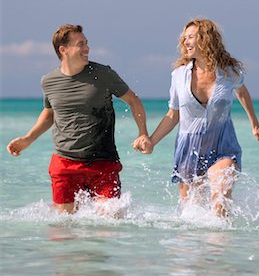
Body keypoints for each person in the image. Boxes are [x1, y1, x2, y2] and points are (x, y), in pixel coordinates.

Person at [7, 24, 152, 214]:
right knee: (64, 229)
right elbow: (50, 112)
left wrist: (143, 133)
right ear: (63, 50)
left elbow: (133, 100)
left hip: (103, 160)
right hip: (64, 162)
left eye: (86, 43)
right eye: (80, 44)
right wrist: (28, 139)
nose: (87, 48)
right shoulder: (49, 81)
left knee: (110, 220)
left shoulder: (103, 74)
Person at [133, 18, 259, 217]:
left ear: (205, 40)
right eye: (184, 38)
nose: (185, 42)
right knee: (191, 215)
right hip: (189, 150)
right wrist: (151, 141)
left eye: (191, 37)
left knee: (220, 202)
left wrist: (255, 125)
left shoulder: (228, 73)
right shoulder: (179, 75)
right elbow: (172, 115)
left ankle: (220, 246)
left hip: (223, 144)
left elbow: (242, 92)